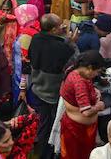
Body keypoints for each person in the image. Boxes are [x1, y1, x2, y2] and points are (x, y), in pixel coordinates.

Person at [26, 13, 76, 158]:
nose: (63, 27)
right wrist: (71, 42)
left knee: (42, 125)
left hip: (37, 88)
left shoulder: (35, 39)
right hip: (53, 93)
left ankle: (40, 152)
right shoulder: (62, 48)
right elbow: (73, 63)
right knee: (53, 126)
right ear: (53, 30)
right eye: (60, 25)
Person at [59, 50, 107, 159]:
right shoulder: (79, 82)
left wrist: (93, 91)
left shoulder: (74, 71)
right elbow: (86, 112)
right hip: (77, 130)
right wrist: (99, 106)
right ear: (89, 67)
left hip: (76, 127)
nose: (97, 75)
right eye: (97, 72)